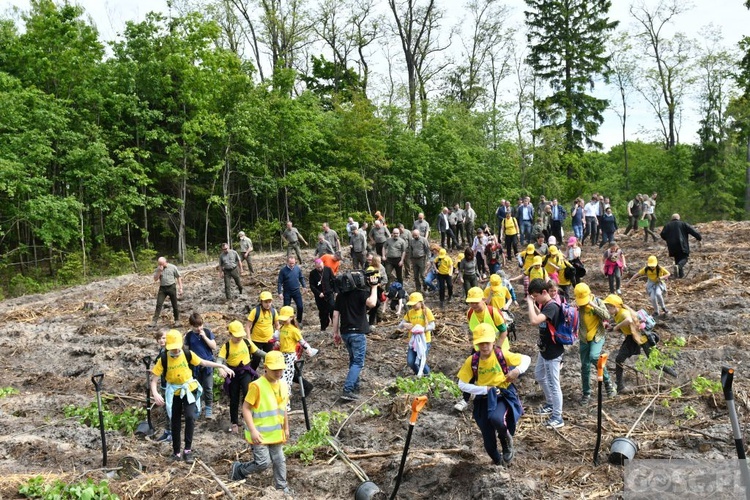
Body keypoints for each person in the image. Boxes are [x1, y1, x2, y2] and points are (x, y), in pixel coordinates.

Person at [151, 329, 234, 462]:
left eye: (177, 348)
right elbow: (154, 380)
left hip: (188, 390)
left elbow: (204, 362)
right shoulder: (164, 359)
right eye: (172, 349)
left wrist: (221, 366)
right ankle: (176, 452)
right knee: (175, 421)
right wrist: (155, 393)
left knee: (190, 417)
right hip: (174, 392)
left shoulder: (187, 354)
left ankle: (187, 450)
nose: (175, 351)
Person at [456, 323, 529, 466]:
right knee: (488, 443)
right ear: (476, 344)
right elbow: (462, 384)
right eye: (480, 343)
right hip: (483, 399)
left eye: (487, 343)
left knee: (497, 419)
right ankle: (499, 463)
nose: (484, 346)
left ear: (493, 341)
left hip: (502, 394)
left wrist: (516, 371)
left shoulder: (501, 355)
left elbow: (527, 359)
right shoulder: (473, 361)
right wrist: (485, 389)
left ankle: (506, 440)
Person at [229, 351, 291, 495]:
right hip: (259, 433)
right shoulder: (257, 386)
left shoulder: (283, 385)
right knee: (263, 463)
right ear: (266, 367)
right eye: (274, 369)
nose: (278, 372)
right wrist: (253, 430)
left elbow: (283, 409)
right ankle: (239, 469)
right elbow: (245, 408)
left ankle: (281, 486)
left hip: (275, 433)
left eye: (280, 369)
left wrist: (286, 427)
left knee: (279, 459)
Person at [604, 294, 676, 394]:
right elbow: (626, 324)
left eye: (608, 308)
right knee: (619, 359)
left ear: (614, 307)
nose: (607, 310)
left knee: (656, 364)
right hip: (632, 338)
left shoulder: (623, 313)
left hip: (642, 338)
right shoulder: (617, 314)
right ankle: (620, 386)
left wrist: (616, 327)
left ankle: (676, 377)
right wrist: (613, 327)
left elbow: (628, 320)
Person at [332, 266, 379, 401]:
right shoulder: (361, 293)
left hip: (346, 332)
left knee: (353, 360)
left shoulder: (341, 295)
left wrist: (335, 333)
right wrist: (374, 287)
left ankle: (354, 386)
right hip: (358, 332)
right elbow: (372, 303)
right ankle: (347, 390)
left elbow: (335, 315)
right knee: (358, 362)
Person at [527, 279, 565, 428]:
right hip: (544, 350)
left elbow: (534, 321)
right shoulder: (546, 306)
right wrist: (536, 305)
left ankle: (557, 417)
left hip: (553, 352)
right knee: (539, 375)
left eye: (535, 296)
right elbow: (541, 317)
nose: (535, 299)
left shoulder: (552, 307)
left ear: (544, 292)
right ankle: (550, 403)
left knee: (553, 383)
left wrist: (530, 303)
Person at [218, 321, 263, 434]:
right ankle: (234, 422)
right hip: (233, 373)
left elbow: (257, 351)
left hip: (246, 371)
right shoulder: (227, 346)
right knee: (234, 398)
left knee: (248, 393)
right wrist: (220, 368)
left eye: (240, 336)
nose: (239, 338)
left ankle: (246, 417)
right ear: (230, 334)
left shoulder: (247, 342)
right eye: (236, 336)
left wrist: (270, 355)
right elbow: (219, 360)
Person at [574, 284, 616, 406]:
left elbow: (607, 316)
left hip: (597, 335)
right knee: (585, 367)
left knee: (594, 356)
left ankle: (608, 382)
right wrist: (571, 309)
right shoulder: (577, 304)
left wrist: (593, 306)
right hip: (584, 338)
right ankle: (586, 393)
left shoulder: (597, 301)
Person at [276, 306, 317, 411]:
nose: (284, 321)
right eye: (283, 319)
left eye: (286, 319)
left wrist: (309, 350)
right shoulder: (282, 328)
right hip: (281, 356)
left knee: (286, 381)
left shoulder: (294, 330)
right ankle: (282, 403)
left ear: (291, 317)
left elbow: (302, 341)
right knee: (280, 380)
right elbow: (275, 336)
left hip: (289, 356)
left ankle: (286, 406)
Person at [184, 313, 217, 419]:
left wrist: (205, 337)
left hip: (207, 365)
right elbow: (186, 350)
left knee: (208, 387)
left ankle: (208, 408)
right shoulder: (189, 336)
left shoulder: (207, 332)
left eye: (200, 325)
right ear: (191, 326)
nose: (199, 328)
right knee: (196, 388)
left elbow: (214, 346)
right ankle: (197, 408)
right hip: (195, 366)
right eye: (196, 326)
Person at [399, 292, 435, 376]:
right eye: (412, 304)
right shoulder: (410, 313)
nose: (413, 306)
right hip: (413, 341)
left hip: (424, 341)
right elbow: (400, 325)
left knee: (421, 360)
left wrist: (423, 329)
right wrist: (405, 325)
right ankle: (419, 374)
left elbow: (432, 325)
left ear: (420, 302)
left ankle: (428, 377)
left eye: (415, 304)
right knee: (411, 362)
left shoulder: (426, 311)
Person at [660, 213, 702, 278]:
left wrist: (668, 239)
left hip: (672, 246)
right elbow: (692, 231)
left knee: (677, 259)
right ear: (679, 218)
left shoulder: (667, 225)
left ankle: (680, 276)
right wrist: (699, 237)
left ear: (672, 219)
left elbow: (662, 234)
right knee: (685, 258)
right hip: (682, 244)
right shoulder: (683, 224)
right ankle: (679, 267)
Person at [246, 291, 280, 371]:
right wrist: (249, 340)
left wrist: (279, 338)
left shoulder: (273, 312)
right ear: (261, 301)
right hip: (256, 340)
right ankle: (251, 377)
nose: (268, 304)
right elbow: (247, 326)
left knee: (269, 361)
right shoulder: (255, 311)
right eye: (266, 302)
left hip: (269, 340)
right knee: (255, 361)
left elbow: (277, 325)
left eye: (269, 302)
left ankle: (268, 377)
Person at [151, 256, 183, 328]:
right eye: (159, 264)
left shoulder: (173, 267)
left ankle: (177, 320)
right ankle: (154, 321)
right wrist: (159, 271)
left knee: (174, 305)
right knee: (159, 304)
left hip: (171, 287)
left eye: (162, 264)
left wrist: (180, 288)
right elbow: (155, 279)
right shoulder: (158, 269)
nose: (161, 265)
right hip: (162, 288)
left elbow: (178, 277)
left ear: (165, 262)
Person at [152, 330, 171, 443]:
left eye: (164, 338)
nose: (161, 340)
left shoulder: (169, 352)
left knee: (170, 409)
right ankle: (167, 431)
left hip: (170, 385)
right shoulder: (161, 351)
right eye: (159, 338)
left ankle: (172, 433)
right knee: (165, 409)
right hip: (163, 384)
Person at [277, 256, 306, 324]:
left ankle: (299, 321)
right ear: (287, 262)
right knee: (286, 308)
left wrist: (304, 286)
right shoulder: (283, 271)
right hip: (287, 292)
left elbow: (301, 278)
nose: (292, 265)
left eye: (293, 263)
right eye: (290, 263)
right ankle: (286, 322)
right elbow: (279, 282)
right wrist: (279, 292)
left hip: (296, 291)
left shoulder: (297, 269)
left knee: (300, 306)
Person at [309, 258, 335, 331]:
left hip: (329, 294)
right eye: (318, 267)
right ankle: (323, 327)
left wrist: (334, 290)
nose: (320, 268)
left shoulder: (328, 270)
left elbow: (333, 280)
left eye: (321, 267)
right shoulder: (312, 273)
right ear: (315, 266)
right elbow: (312, 286)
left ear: (323, 264)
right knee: (323, 313)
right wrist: (318, 293)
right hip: (319, 297)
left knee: (332, 310)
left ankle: (335, 326)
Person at [407, 229, 430, 293]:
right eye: (414, 235)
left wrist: (428, 259)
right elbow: (410, 250)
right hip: (414, 259)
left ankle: (425, 288)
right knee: (415, 276)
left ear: (419, 234)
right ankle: (418, 289)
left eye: (416, 235)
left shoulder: (424, 240)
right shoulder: (411, 241)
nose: (415, 236)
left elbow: (427, 250)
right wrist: (410, 258)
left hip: (422, 259)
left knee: (422, 275)